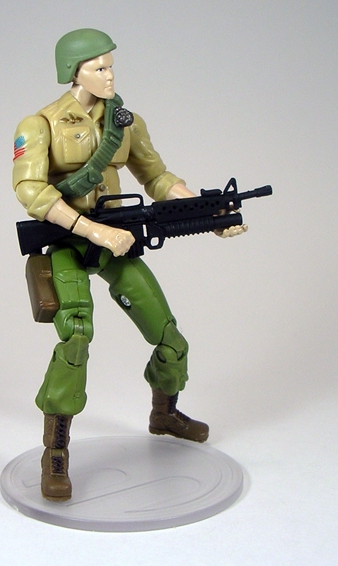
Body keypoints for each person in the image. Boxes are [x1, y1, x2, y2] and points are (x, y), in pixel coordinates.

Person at [12, 28, 245, 501]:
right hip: (68, 240)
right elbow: (30, 190)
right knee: (76, 336)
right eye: (98, 67)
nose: (109, 75)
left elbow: (156, 177)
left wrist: (209, 214)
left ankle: (165, 412)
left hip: (117, 238)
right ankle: (55, 451)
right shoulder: (39, 124)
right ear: (73, 71)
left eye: (111, 66)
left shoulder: (126, 121)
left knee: (168, 333)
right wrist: (92, 230)